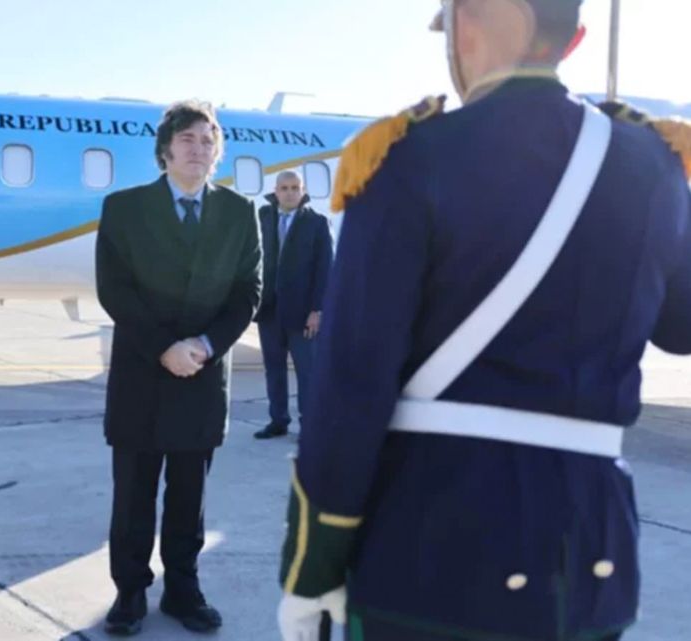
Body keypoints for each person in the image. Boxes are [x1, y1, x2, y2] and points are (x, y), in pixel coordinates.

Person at [276, 1, 691, 640]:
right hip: (592, 559)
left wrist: (312, 565)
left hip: (435, 556)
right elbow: (681, 326)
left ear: (469, 24)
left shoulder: (408, 157)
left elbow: (352, 383)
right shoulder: (655, 164)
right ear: (573, 40)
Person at [96, 100, 262, 635]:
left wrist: (206, 346)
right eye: (188, 139)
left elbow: (247, 293)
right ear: (166, 149)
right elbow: (114, 289)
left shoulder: (240, 213)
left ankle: (183, 591)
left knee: (190, 499)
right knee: (134, 495)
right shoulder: (124, 208)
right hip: (143, 373)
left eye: (208, 140)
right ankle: (129, 593)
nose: (199, 149)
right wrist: (165, 347)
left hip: (202, 375)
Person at [253, 170, 334, 440]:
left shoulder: (317, 223)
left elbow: (325, 269)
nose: (289, 192)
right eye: (284, 188)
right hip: (269, 311)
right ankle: (278, 421)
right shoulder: (263, 218)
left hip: (302, 314)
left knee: (307, 372)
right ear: (275, 191)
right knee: (273, 370)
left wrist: (317, 310)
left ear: (302, 191)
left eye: (295, 188)